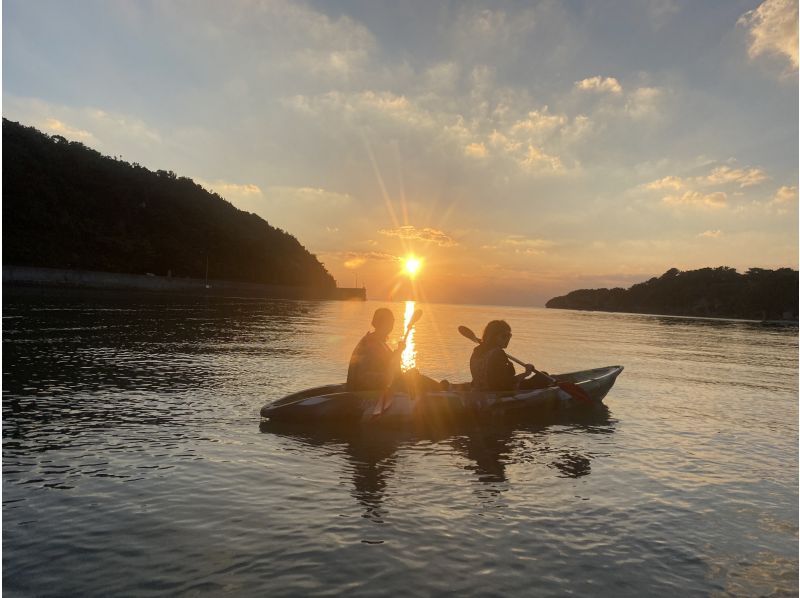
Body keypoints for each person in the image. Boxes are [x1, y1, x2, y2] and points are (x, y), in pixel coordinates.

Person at [346, 308, 447, 395]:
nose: (392, 325)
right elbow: (363, 378)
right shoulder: (369, 344)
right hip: (366, 393)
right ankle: (442, 390)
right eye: (390, 321)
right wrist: (394, 379)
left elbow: (393, 369)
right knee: (415, 379)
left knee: (413, 376)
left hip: (378, 388)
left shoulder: (379, 343)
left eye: (392, 321)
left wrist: (398, 354)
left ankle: (442, 388)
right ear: (380, 323)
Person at [470, 320, 551, 391]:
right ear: (493, 337)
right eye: (504, 336)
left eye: (509, 335)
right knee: (543, 376)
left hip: (479, 389)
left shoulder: (476, 351)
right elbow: (506, 383)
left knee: (542, 375)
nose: (508, 339)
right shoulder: (498, 354)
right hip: (498, 392)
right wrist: (526, 373)